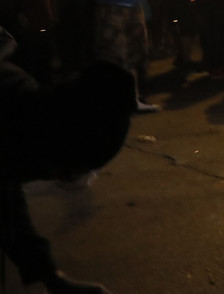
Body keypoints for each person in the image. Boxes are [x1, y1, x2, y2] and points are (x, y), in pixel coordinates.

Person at [1, 29, 135, 294]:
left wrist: (50, 277)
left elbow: (7, 198)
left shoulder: (19, 105)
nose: (55, 180)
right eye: (61, 173)